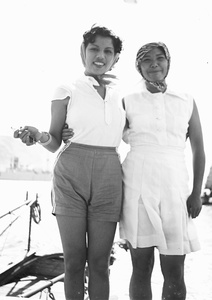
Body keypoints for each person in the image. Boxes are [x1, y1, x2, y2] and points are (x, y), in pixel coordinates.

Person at [13, 25, 125, 300]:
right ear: (82, 52)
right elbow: (53, 141)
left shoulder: (123, 94)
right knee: (74, 262)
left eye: (107, 51)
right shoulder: (67, 89)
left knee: (100, 264)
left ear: (116, 58)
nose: (100, 56)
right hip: (70, 175)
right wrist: (38, 135)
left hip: (109, 175)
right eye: (94, 49)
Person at [119, 42, 205, 300]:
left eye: (160, 58)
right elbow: (107, 134)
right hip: (137, 186)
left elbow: (199, 149)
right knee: (141, 267)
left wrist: (196, 193)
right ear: (138, 67)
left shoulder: (186, 99)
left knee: (175, 270)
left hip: (175, 187)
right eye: (146, 60)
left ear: (169, 63)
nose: (154, 63)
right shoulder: (127, 100)